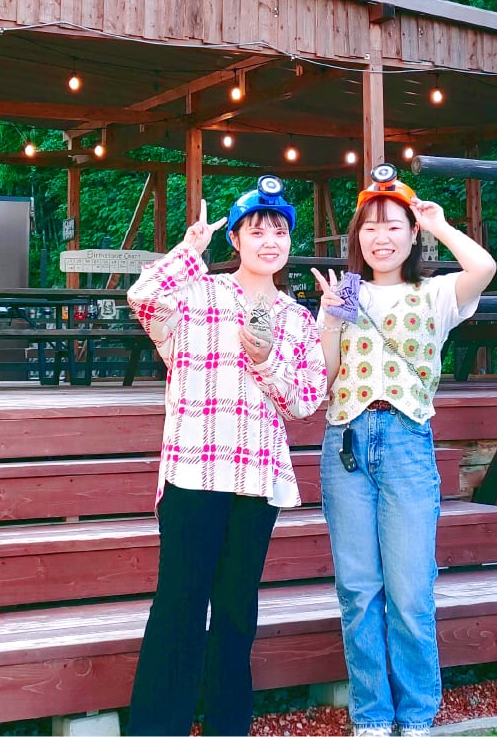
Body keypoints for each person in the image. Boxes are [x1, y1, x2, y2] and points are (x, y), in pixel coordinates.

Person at [127, 175, 328, 737]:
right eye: (257, 230)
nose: (270, 240)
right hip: (194, 469)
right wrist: (190, 249)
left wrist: (265, 362)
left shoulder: (295, 316)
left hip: (255, 478)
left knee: (237, 610)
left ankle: (226, 727)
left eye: (280, 230)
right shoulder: (199, 294)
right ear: (235, 239)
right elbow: (141, 300)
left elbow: (306, 401)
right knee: (179, 606)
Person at [313, 164, 497, 737]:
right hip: (345, 443)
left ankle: (416, 715)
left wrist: (438, 222)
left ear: (411, 234)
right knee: (359, 589)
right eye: (370, 227)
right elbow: (328, 377)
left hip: (406, 443)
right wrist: (327, 320)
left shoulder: (436, 293)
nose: (381, 236)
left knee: (411, 589)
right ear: (356, 237)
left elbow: (484, 268)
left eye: (394, 225)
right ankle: (372, 715)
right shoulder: (343, 291)